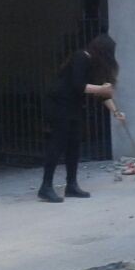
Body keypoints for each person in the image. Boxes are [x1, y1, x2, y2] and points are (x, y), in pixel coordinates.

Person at [38, 33, 125, 203]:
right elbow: (79, 85)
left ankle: (71, 185)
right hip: (58, 104)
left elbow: (103, 95)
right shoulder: (81, 57)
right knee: (58, 143)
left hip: (72, 106)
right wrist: (101, 89)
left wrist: (116, 112)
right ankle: (45, 186)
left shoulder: (93, 64)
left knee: (74, 145)